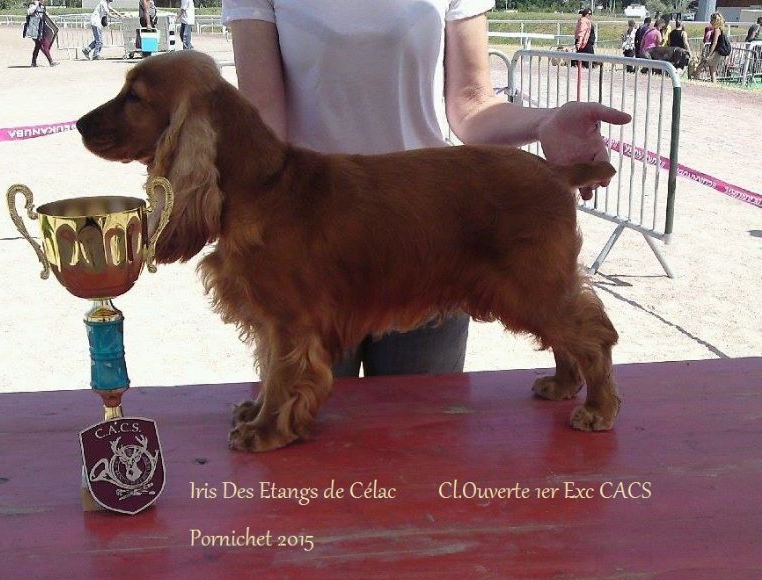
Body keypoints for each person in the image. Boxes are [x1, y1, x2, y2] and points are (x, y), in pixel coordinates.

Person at [221, 0, 631, 378]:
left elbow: (472, 104)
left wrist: (544, 122)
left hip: (433, 234)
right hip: (313, 247)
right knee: (306, 440)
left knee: (424, 437)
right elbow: (263, 126)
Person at [695, 12, 729, 83]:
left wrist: (709, 54)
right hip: (717, 52)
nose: (710, 22)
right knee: (712, 70)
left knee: (700, 66)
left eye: (712, 20)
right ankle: (714, 85)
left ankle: (695, 80)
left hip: (715, 52)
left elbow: (714, 43)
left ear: (716, 21)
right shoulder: (720, 29)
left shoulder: (717, 30)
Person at [23, 0, 58, 67]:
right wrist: (36, 5)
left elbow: (44, 15)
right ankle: (51, 62)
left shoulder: (41, 6)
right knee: (43, 44)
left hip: (41, 27)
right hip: (36, 29)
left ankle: (33, 62)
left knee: (38, 45)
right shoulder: (34, 4)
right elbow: (29, 12)